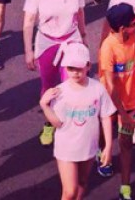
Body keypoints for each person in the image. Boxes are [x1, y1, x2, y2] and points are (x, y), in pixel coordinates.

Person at [23, 0, 87, 146]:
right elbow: (28, 21)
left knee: (74, 86)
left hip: (71, 40)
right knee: (49, 87)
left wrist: (84, 39)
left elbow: (80, 13)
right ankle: (50, 122)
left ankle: (76, 129)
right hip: (47, 43)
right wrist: (28, 50)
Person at [39, 42, 115, 200]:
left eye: (79, 68)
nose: (75, 73)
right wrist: (44, 106)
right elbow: (58, 123)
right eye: (70, 68)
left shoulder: (98, 89)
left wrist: (108, 146)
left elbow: (106, 116)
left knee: (82, 184)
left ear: (88, 66)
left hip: (88, 146)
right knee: (70, 191)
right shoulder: (60, 92)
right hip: (66, 148)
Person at [99, 4, 135, 200]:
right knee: (103, 135)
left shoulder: (133, 37)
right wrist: (122, 113)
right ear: (123, 28)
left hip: (130, 103)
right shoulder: (108, 48)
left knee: (126, 143)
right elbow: (111, 86)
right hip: (109, 105)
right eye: (134, 23)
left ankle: (125, 187)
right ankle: (103, 155)